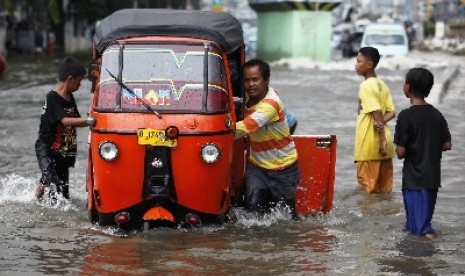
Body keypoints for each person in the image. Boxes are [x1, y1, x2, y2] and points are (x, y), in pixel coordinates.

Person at [235, 58, 301, 217]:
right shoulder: (246, 96)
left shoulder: (271, 104)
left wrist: (214, 129)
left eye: (255, 79)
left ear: (266, 80)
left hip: (283, 168)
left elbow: (242, 129)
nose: (251, 84)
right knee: (253, 215)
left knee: (287, 219)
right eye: (247, 80)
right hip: (257, 167)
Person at [394, 68, 452, 239]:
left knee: (420, 228)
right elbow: (447, 144)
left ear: (408, 87)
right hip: (433, 178)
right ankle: (424, 254)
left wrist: (398, 150)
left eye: (405, 82)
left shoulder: (405, 116)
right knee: (421, 222)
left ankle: (426, 250)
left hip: (413, 179)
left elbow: (401, 151)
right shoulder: (437, 115)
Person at [35, 57, 93, 200]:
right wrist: (89, 121)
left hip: (63, 150)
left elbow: (76, 119)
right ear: (70, 79)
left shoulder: (70, 97)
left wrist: (91, 116)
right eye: (79, 82)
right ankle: (36, 200)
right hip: (47, 148)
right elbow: (66, 121)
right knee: (48, 177)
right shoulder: (52, 97)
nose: (79, 86)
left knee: (63, 194)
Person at [353, 47, 396, 194]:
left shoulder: (365, 85)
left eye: (359, 61)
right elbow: (391, 112)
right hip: (386, 149)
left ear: (369, 64)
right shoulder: (382, 84)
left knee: (368, 195)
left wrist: (381, 139)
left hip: (370, 146)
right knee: (384, 193)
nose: (355, 64)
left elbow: (376, 111)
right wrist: (382, 129)